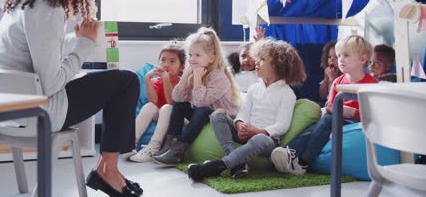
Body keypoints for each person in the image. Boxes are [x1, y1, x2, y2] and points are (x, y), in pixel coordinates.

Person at [0, 0, 141, 196]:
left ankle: (107, 168)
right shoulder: (46, 8)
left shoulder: (23, 3)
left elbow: (44, 54)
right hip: (37, 112)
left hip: (7, 111)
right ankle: (109, 171)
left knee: (114, 82)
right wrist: (84, 46)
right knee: (126, 81)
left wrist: (77, 39)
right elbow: (51, 83)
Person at [187, 39, 307, 181]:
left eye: (262, 59)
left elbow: (282, 125)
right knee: (217, 115)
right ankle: (237, 164)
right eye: (257, 58)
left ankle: (219, 165)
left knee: (261, 139)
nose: (256, 62)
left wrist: (258, 131)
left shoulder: (287, 93)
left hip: (265, 140)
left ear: (278, 65)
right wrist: (239, 124)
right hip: (245, 132)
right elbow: (243, 112)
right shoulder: (254, 88)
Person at [270, 35, 378, 175]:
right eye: (339, 56)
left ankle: (304, 162)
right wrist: (330, 109)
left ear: (362, 59)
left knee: (326, 121)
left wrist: (351, 112)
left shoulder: (372, 84)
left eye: (346, 56)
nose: (340, 60)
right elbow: (330, 105)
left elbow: (374, 114)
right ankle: (288, 152)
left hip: (355, 121)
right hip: (335, 119)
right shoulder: (338, 81)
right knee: (314, 126)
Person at [153, 27, 241, 165]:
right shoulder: (194, 71)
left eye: (198, 55)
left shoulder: (219, 77)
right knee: (180, 106)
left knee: (202, 109)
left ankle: (179, 150)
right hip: (203, 114)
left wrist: (198, 78)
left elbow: (201, 103)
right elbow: (177, 98)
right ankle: (169, 146)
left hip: (222, 118)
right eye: (190, 55)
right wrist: (186, 75)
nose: (192, 59)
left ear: (211, 58)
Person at [129, 43, 186, 162]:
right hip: (162, 114)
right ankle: (129, 143)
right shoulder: (157, 81)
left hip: (180, 117)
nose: (166, 64)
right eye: (163, 60)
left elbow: (171, 102)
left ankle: (153, 147)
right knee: (149, 106)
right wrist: (147, 79)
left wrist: (165, 79)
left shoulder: (182, 83)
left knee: (166, 107)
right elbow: (153, 101)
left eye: (172, 61)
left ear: (182, 67)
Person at [227, 26, 265, 92]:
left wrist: (260, 42)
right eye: (243, 56)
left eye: (251, 57)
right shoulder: (233, 74)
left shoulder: (260, 75)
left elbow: (266, 58)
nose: (246, 60)